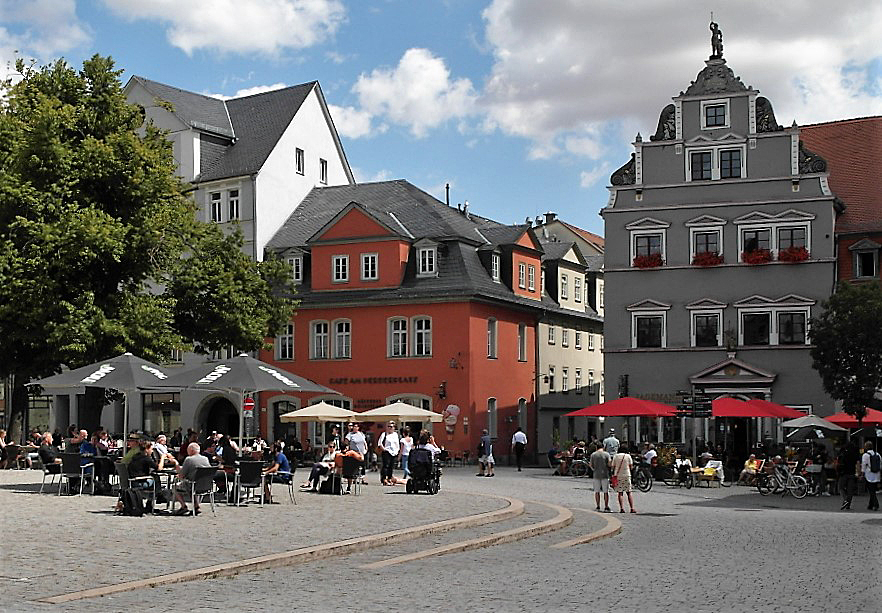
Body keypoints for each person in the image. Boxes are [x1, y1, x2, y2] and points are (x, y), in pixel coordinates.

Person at [173, 442, 211, 515]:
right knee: (191, 485)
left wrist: (177, 466)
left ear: (191, 450)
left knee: (175, 486)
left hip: (193, 485)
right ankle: (196, 506)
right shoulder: (205, 459)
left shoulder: (189, 459)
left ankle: (183, 506)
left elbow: (182, 475)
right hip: (206, 485)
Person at [610, 447, 635, 513]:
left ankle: (621, 508)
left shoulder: (615, 456)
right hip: (627, 475)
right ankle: (632, 508)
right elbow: (631, 466)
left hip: (618, 476)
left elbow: (612, 466)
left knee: (620, 492)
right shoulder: (628, 456)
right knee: (629, 492)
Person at [837, 441, 860, 511]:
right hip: (852, 473)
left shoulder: (843, 453)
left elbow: (839, 462)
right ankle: (848, 505)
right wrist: (858, 473)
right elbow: (858, 464)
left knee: (840, 487)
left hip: (843, 473)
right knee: (850, 490)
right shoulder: (855, 454)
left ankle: (845, 500)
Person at [590, 444, 611, 512]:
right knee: (606, 492)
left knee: (597, 491)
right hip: (605, 474)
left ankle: (598, 506)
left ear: (596, 447)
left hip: (596, 474)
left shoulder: (593, 454)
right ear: (603, 447)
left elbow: (591, 465)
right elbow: (609, 464)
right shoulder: (606, 454)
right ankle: (606, 507)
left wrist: (594, 469)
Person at [377, 421, 400, 485]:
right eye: (388, 426)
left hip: (394, 452)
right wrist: (384, 449)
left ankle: (389, 478)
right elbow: (380, 443)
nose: (390, 428)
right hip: (387, 452)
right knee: (385, 466)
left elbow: (397, 443)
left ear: (394, 428)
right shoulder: (384, 434)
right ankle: (384, 479)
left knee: (391, 466)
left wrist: (397, 450)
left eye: (391, 427)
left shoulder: (395, 434)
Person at [861, 441, 880, 511]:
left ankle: (876, 504)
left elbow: (863, 465)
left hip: (869, 475)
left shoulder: (865, 455)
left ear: (866, 447)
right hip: (877, 475)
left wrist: (862, 474)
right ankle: (870, 505)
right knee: (873, 490)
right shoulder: (878, 454)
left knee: (871, 491)